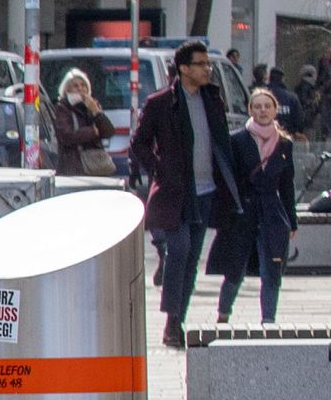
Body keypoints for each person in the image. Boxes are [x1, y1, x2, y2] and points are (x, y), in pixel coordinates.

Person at [128, 41, 256, 334]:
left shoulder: (212, 99)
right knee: (179, 251)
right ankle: (171, 321)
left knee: (191, 260)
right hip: (177, 192)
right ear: (184, 68)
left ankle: (179, 319)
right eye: (201, 64)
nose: (207, 69)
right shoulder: (161, 103)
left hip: (207, 190)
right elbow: (139, 143)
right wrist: (160, 169)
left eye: (207, 64)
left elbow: (221, 143)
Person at [214, 85, 299, 327]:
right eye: (258, 106)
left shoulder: (284, 144)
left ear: (275, 110)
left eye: (267, 106)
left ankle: (268, 320)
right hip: (244, 212)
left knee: (271, 271)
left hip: (272, 213)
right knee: (235, 270)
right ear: (250, 109)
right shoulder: (237, 140)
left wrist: (292, 221)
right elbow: (227, 179)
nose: (263, 111)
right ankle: (223, 313)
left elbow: (287, 185)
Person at [49, 68, 114, 178]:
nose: (80, 89)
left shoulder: (91, 106)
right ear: (66, 89)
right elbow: (66, 136)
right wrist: (92, 132)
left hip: (95, 166)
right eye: (75, 86)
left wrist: (96, 111)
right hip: (73, 168)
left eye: (83, 85)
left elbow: (108, 132)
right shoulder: (62, 108)